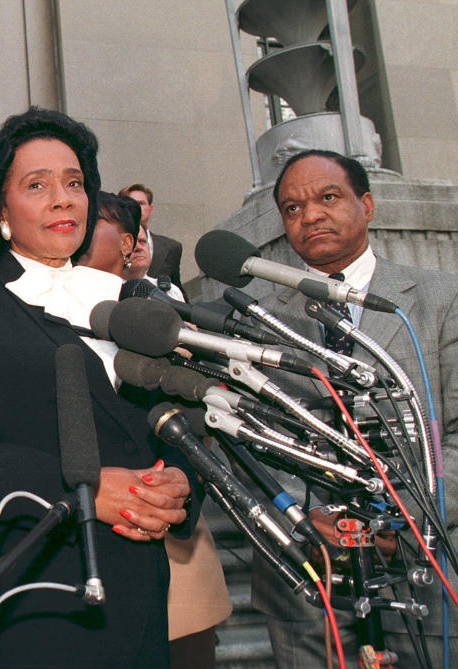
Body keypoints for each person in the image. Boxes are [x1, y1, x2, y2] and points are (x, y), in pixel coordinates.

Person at [0, 107, 201, 667]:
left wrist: (181, 481)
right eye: (38, 185)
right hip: (21, 593)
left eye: (75, 183)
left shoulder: (134, 306)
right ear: (0, 209)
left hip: (134, 595)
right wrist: (75, 489)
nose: (63, 199)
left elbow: (176, 427)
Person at [250, 149, 458, 667]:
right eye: (292, 208)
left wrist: (401, 523)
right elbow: (243, 439)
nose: (311, 215)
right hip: (306, 578)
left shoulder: (440, 297)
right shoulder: (251, 314)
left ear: (366, 205)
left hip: (425, 567)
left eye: (328, 197)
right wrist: (301, 517)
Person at [78, 191, 232, 668]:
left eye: (92, 220)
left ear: (128, 243)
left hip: (169, 535)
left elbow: (197, 411)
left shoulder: (163, 320)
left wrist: (177, 487)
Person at [119, 182, 184, 293]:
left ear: (150, 209)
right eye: (131, 203)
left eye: (141, 203)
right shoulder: (111, 240)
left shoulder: (172, 247)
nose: (138, 247)